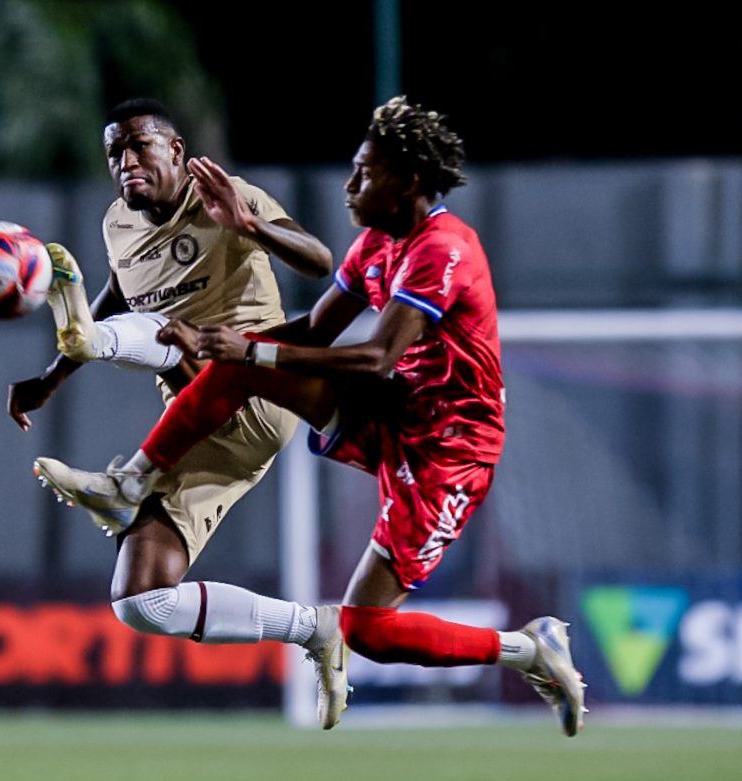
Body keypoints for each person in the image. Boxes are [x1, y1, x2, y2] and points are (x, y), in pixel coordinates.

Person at [39, 96, 587, 736]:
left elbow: (378, 356)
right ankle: (130, 482)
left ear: (407, 181)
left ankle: (527, 649)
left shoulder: (444, 249)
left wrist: (249, 342)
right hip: (393, 410)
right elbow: (314, 331)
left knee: (369, 631)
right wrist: (233, 349)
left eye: (364, 172)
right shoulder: (376, 245)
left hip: (448, 449)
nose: (350, 184)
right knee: (243, 365)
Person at [14, 98, 354, 729]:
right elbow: (119, 292)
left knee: (167, 331)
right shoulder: (118, 223)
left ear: (175, 149)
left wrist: (249, 225)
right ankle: (314, 628)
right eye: (114, 152)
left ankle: (120, 466)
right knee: (140, 600)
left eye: (139, 146)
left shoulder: (223, 194)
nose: (126, 161)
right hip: (196, 426)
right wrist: (52, 378)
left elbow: (321, 260)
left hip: (257, 389)